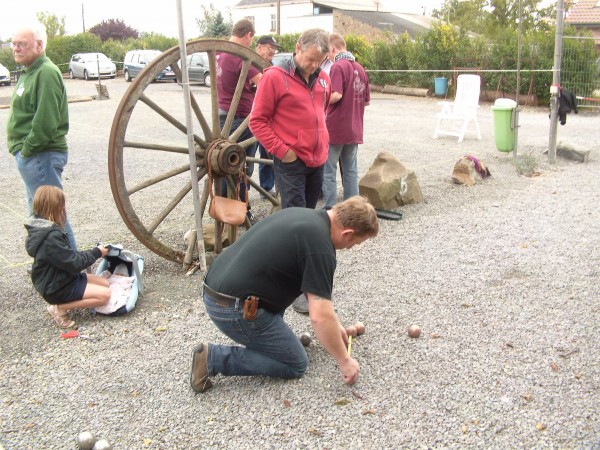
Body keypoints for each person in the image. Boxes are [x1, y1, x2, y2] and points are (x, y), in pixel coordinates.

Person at [190, 196, 379, 393]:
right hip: (232, 308)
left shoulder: (305, 216)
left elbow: (313, 289)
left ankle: (274, 342)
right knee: (295, 363)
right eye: (354, 243)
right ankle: (213, 358)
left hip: (216, 289)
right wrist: (345, 360)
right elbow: (319, 316)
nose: (350, 248)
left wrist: (335, 326)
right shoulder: (321, 249)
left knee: (289, 341)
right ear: (347, 233)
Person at [7, 24, 77, 251]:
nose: (16, 48)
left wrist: (26, 150)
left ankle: (72, 274)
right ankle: (49, 269)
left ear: (39, 45)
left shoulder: (46, 72)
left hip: (41, 155)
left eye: (22, 44)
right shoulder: (30, 71)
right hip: (33, 156)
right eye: (14, 44)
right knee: (39, 216)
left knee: (53, 216)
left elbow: (45, 122)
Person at [249, 28, 331, 210]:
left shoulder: (324, 78)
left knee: (309, 214)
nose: (314, 65)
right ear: (298, 47)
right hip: (291, 162)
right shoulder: (274, 77)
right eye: (310, 59)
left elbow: (322, 112)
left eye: (320, 61)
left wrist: (323, 143)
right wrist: (283, 152)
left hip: (317, 160)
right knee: (294, 218)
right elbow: (257, 121)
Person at [25, 186, 111, 328]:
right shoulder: (50, 237)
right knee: (105, 295)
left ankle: (63, 304)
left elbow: (68, 257)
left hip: (60, 278)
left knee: (105, 283)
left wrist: (95, 251)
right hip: (57, 287)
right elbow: (74, 263)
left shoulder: (42, 230)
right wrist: (97, 253)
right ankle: (60, 308)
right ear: (55, 208)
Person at [217, 19, 262, 223]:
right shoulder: (239, 55)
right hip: (240, 118)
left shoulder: (220, 53)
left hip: (222, 114)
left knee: (225, 165)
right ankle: (239, 212)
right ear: (249, 35)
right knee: (242, 168)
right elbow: (264, 82)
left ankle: (225, 210)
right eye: (252, 39)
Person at [323, 33, 370, 210]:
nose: (327, 55)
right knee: (350, 170)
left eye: (328, 51)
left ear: (333, 48)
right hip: (355, 128)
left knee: (329, 170)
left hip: (336, 128)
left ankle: (329, 207)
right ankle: (354, 208)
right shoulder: (360, 68)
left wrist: (320, 100)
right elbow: (366, 101)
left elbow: (336, 95)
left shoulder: (337, 67)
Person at [254, 35, 283, 198]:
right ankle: (264, 188)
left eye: (274, 48)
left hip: (270, 117)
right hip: (255, 116)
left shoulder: (271, 66)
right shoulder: (252, 64)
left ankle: (269, 186)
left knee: (268, 153)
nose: (272, 50)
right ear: (259, 47)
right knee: (259, 155)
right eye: (269, 47)